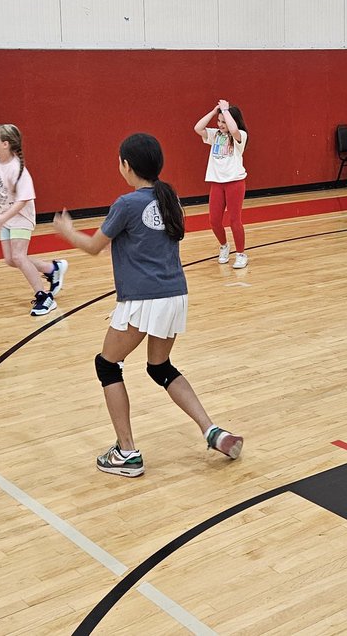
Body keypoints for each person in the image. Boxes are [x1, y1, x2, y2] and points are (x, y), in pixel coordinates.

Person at [54, 133, 243, 477]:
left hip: (144, 299)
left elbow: (94, 246)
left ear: (126, 166)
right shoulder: (168, 197)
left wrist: (66, 231)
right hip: (175, 295)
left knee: (107, 365)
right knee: (160, 367)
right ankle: (213, 431)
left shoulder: (126, 204)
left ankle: (126, 452)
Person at [0, 124, 67, 317]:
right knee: (11, 260)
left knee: (18, 256)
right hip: (5, 218)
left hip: (20, 218)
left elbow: (23, 201)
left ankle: (44, 297)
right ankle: (52, 268)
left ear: (5, 144)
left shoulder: (17, 169)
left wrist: (0, 221)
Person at [193, 100, 249, 269]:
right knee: (214, 220)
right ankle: (224, 246)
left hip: (235, 182)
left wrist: (226, 110)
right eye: (219, 121)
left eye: (223, 121)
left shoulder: (240, 135)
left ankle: (240, 254)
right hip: (217, 184)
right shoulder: (215, 134)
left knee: (234, 220)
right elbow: (197, 128)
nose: (220, 124)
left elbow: (233, 129)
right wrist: (214, 111)